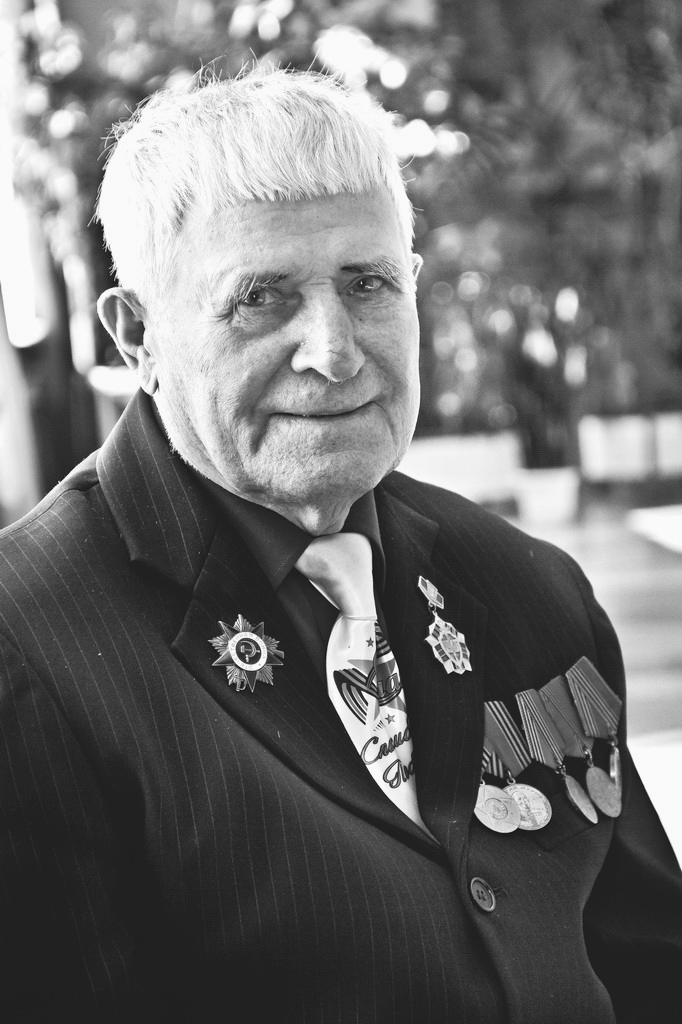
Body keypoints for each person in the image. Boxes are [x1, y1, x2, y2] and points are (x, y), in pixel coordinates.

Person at [0, 66, 680, 1024]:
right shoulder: (29, 654)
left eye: (367, 284)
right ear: (138, 337)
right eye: (261, 298)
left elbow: (654, 965)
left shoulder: (530, 585)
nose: (334, 349)